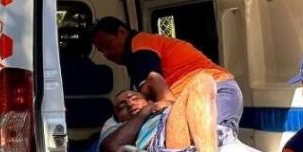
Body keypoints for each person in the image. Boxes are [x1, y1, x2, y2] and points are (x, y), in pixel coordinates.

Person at [99, 50, 245, 152]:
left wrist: (151, 103)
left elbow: (154, 77)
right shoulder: (119, 126)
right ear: (118, 118)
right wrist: (145, 111)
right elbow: (110, 148)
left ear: (148, 99)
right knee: (201, 82)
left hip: (197, 138)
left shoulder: (165, 105)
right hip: (163, 149)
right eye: (122, 107)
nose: (130, 103)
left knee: (205, 81)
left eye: (134, 98)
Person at [88, 16, 244, 139]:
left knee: (210, 142)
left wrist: (161, 111)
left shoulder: (140, 49)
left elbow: (153, 83)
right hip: (208, 90)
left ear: (122, 32)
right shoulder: (144, 45)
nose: (106, 54)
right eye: (101, 51)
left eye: (108, 45)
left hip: (213, 90)